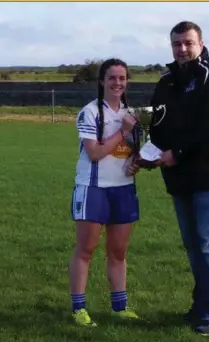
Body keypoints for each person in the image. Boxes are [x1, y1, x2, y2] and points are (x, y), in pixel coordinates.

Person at [148, 21, 209, 336]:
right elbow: (157, 124)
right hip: (180, 174)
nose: (182, 49)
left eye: (188, 43)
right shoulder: (166, 80)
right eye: (177, 44)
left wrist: (178, 152)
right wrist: (147, 152)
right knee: (193, 246)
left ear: (201, 43)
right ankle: (200, 306)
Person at [69, 58, 142, 327]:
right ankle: (79, 308)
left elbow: (133, 152)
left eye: (122, 78)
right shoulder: (90, 112)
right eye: (112, 78)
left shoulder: (131, 114)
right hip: (93, 189)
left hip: (122, 190)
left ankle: (119, 307)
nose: (117, 83)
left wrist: (136, 163)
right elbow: (95, 153)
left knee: (119, 252)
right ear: (102, 81)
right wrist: (123, 132)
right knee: (86, 249)